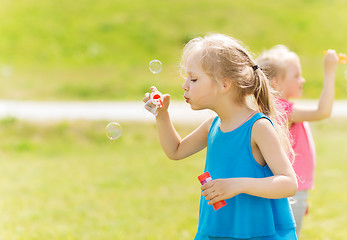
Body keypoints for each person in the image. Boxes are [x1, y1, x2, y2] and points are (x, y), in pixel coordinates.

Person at [143, 33, 298, 239]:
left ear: (225, 84)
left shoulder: (257, 127)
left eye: (194, 78)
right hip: (217, 230)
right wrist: (162, 116)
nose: (185, 86)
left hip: (254, 232)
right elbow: (176, 150)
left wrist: (239, 184)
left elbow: (289, 183)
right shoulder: (213, 125)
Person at [256, 45, 338, 237]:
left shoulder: (277, 109)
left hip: (293, 190)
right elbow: (322, 112)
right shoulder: (283, 110)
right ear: (275, 83)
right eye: (296, 75)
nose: (302, 80)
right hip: (293, 190)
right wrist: (329, 72)